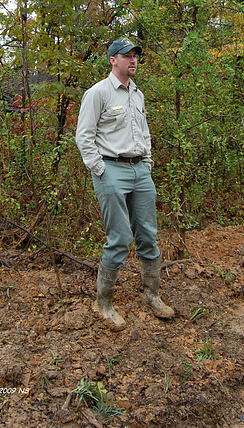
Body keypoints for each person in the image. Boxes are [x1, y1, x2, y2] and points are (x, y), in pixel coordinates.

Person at [75, 37, 174, 329]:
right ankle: (102, 303)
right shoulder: (98, 93)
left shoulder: (137, 94)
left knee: (148, 235)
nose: (133, 60)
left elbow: (143, 132)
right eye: (126, 55)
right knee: (119, 239)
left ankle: (152, 296)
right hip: (111, 170)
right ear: (112, 60)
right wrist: (100, 170)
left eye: (135, 56)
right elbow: (84, 136)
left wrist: (148, 163)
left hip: (139, 170)